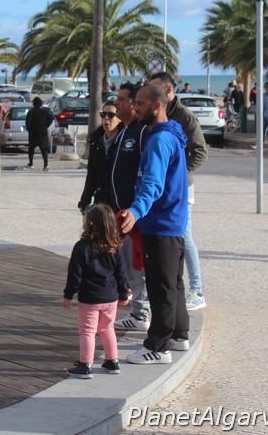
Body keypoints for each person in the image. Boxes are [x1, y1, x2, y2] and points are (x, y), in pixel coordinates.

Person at [119, 85, 190, 365]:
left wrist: (136, 211)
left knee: (161, 287)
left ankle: (158, 346)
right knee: (173, 283)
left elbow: (152, 183)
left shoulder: (160, 139)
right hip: (171, 222)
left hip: (161, 223)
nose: (134, 108)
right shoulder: (171, 133)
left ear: (157, 105)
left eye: (140, 103)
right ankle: (179, 335)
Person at [148, 72, 208, 312]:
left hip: (182, 188)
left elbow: (201, 152)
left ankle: (198, 290)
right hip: (163, 187)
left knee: (184, 235)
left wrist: (178, 174)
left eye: (155, 89)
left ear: (169, 89)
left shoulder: (185, 116)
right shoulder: (157, 114)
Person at [63, 203, 130, 379]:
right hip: (110, 297)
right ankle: (112, 361)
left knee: (87, 331)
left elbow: (75, 274)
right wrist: (123, 293)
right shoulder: (115, 246)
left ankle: (85, 364)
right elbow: (121, 274)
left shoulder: (81, 247)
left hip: (90, 298)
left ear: (89, 223)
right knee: (107, 329)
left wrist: (68, 294)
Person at [110, 83, 151, 331]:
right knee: (127, 265)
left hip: (134, 214)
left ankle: (142, 314)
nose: (117, 103)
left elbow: (147, 174)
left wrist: (136, 209)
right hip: (120, 212)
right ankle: (138, 312)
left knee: (138, 267)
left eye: (122, 99)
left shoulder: (142, 132)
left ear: (134, 104)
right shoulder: (123, 131)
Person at [78, 101, 122, 212]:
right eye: (103, 114)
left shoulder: (125, 139)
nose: (106, 118)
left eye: (111, 115)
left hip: (120, 201)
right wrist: (85, 200)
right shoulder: (96, 140)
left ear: (119, 118)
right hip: (101, 200)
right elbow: (92, 173)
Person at [25, 96, 54, 171]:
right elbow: (51, 119)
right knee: (44, 148)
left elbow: (28, 122)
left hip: (33, 132)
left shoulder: (31, 112)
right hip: (43, 132)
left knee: (31, 148)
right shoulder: (45, 111)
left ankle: (31, 163)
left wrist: (29, 128)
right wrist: (45, 126)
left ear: (33, 103)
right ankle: (46, 164)